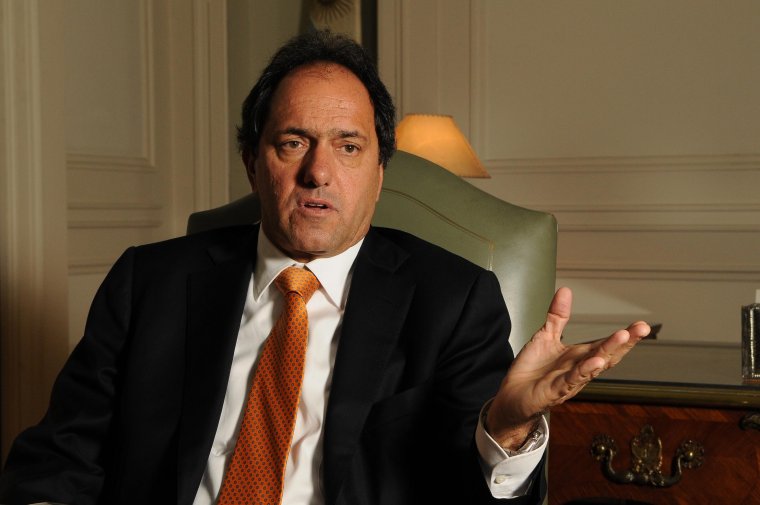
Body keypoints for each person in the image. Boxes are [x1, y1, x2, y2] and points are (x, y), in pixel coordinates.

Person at [0, 31, 649, 505]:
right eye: (293, 143)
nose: (319, 172)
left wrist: (505, 425)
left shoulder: (452, 300)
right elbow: (58, 462)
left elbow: (469, 491)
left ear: (379, 172)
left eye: (348, 147)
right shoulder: (149, 284)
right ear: (253, 163)